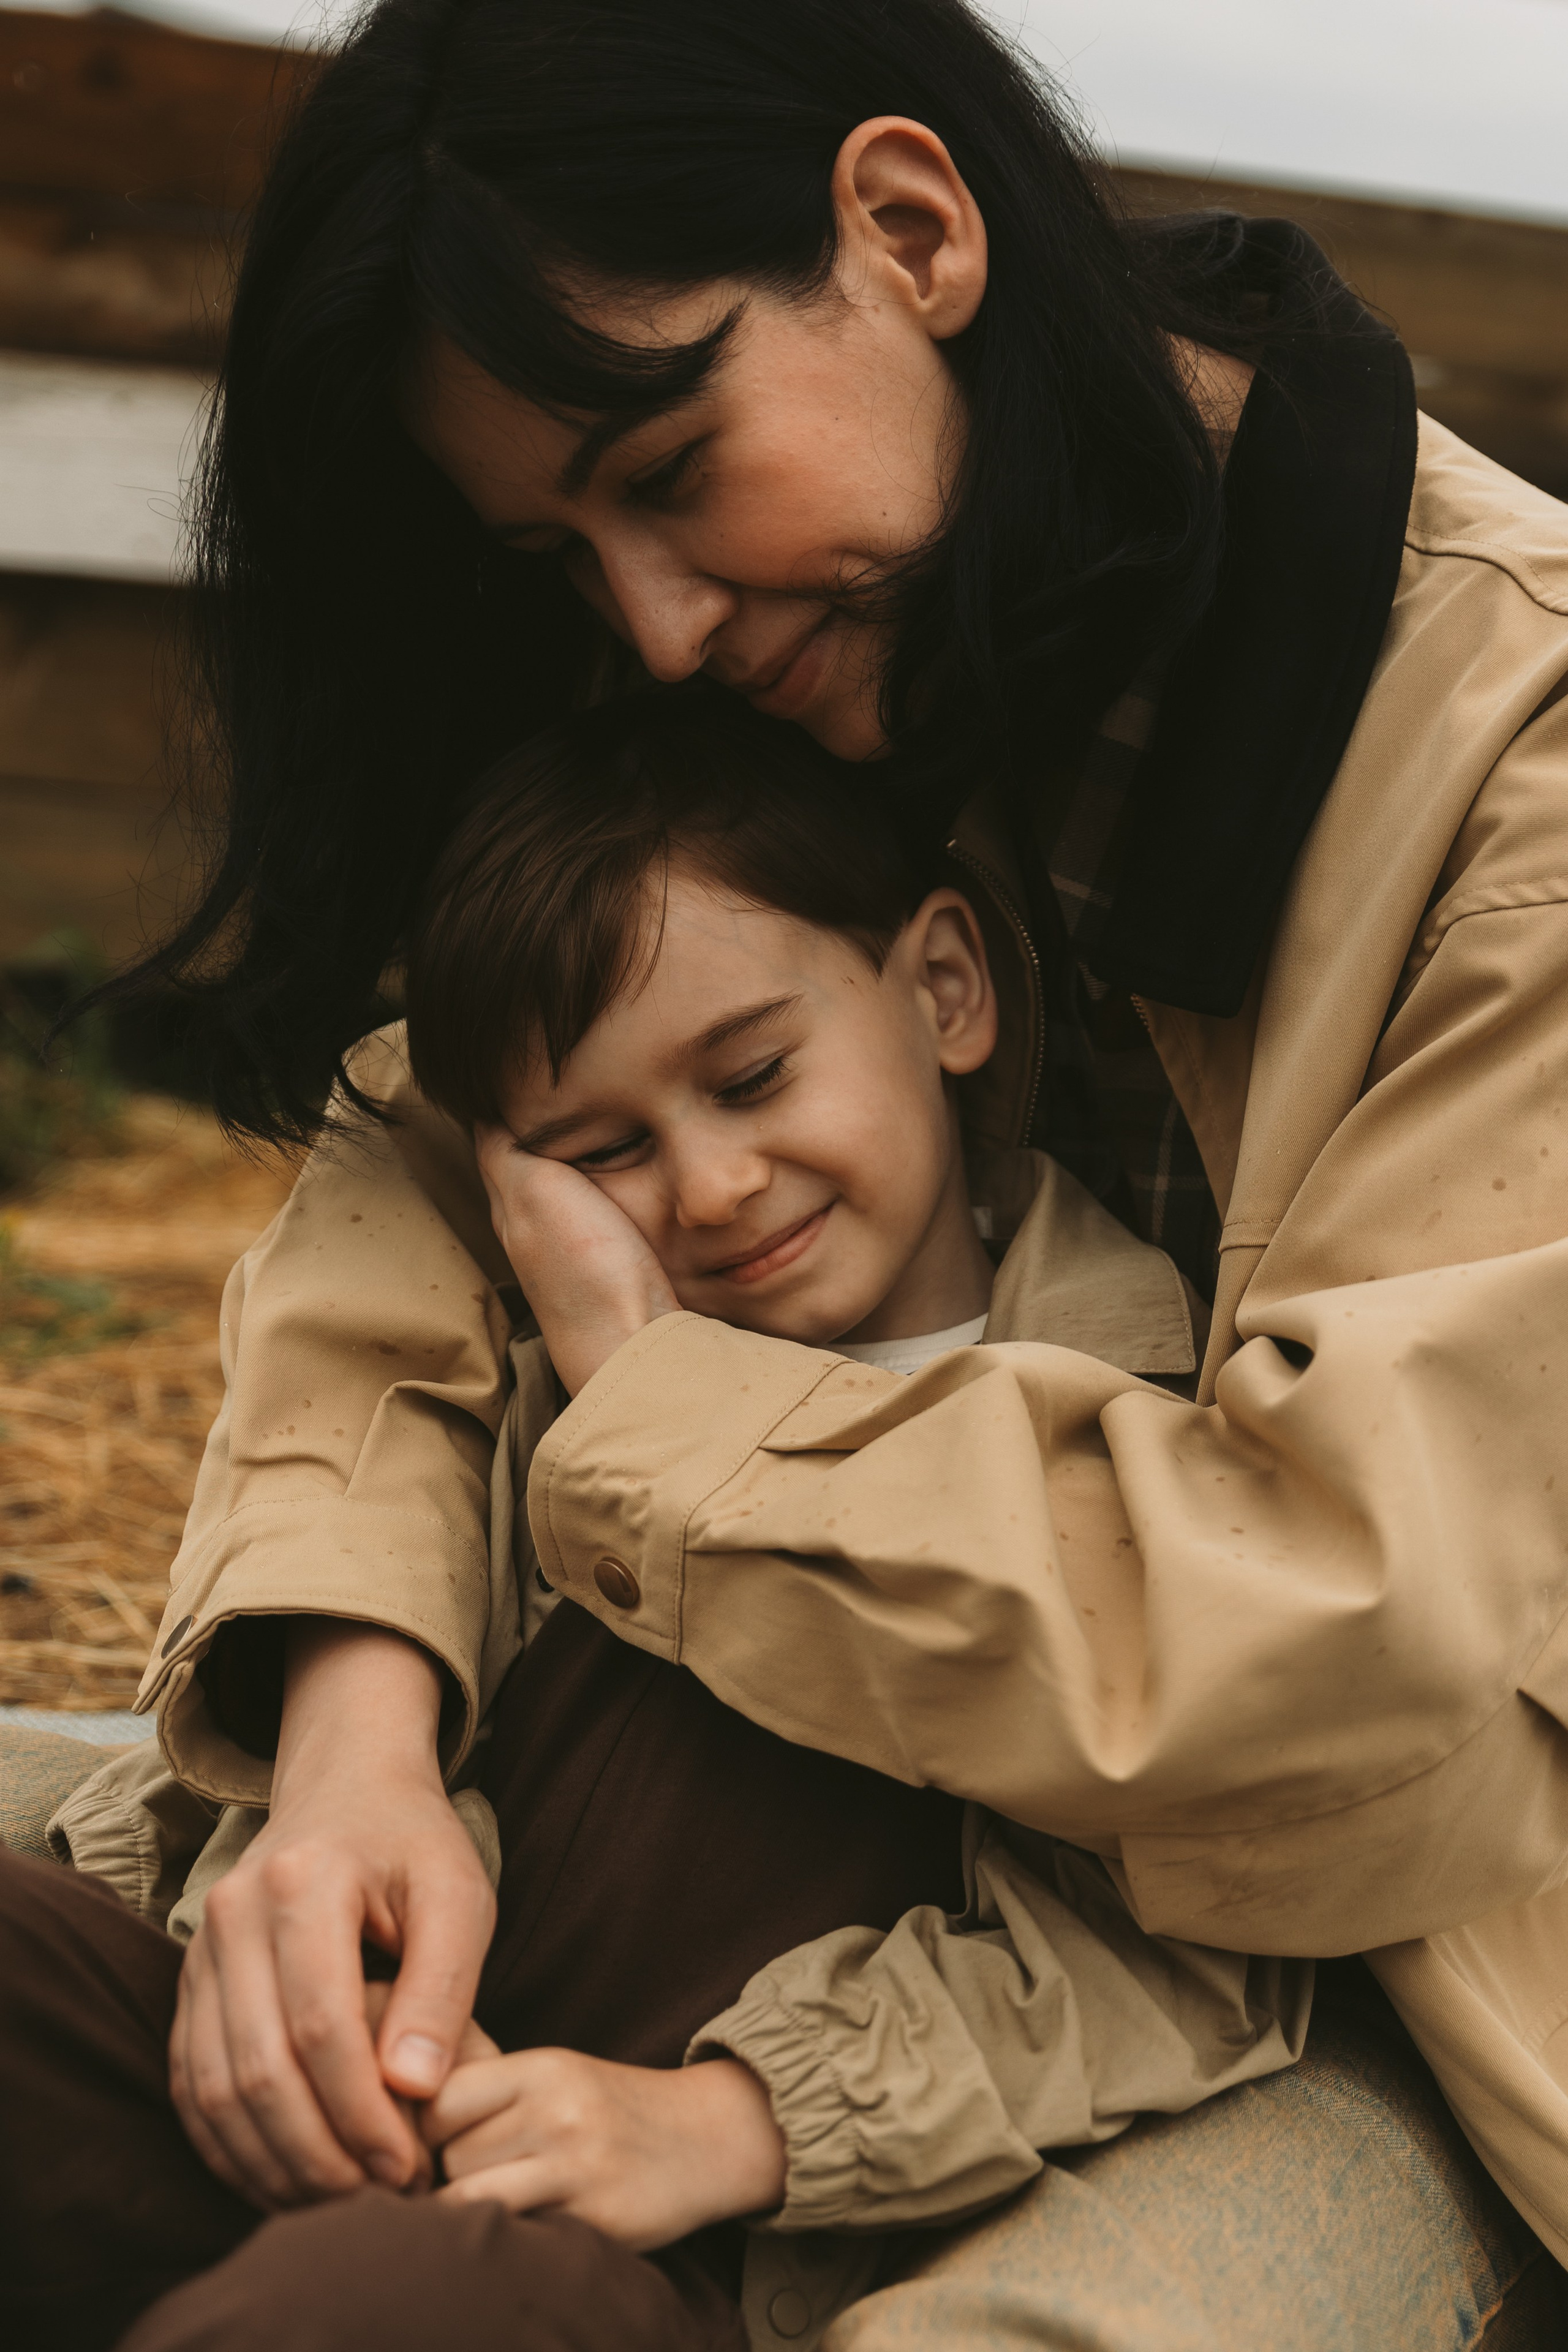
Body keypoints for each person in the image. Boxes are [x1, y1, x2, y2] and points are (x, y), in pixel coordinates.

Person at [56, 0, 1568, 2337]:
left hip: (1373, 1966)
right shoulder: (789, 625)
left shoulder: (1523, 772)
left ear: (910, 230)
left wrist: (672, 1428)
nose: (652, 624)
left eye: (670, 469)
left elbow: (1340, 1638)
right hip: (682, 1835)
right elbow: (434, 1142)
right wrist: (354, 1728)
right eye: (560, 551)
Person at [9, 696, 1320, 2350]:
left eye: (754, 1077)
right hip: (321, 2107)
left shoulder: (1120, 1433)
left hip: (649, 2235)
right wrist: (315, 1988)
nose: (709, 1189)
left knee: (359, 2308)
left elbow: (1168, 1958)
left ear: (945, 986)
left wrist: (725, 2123)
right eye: (603, 1148)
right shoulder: (511, 1368)